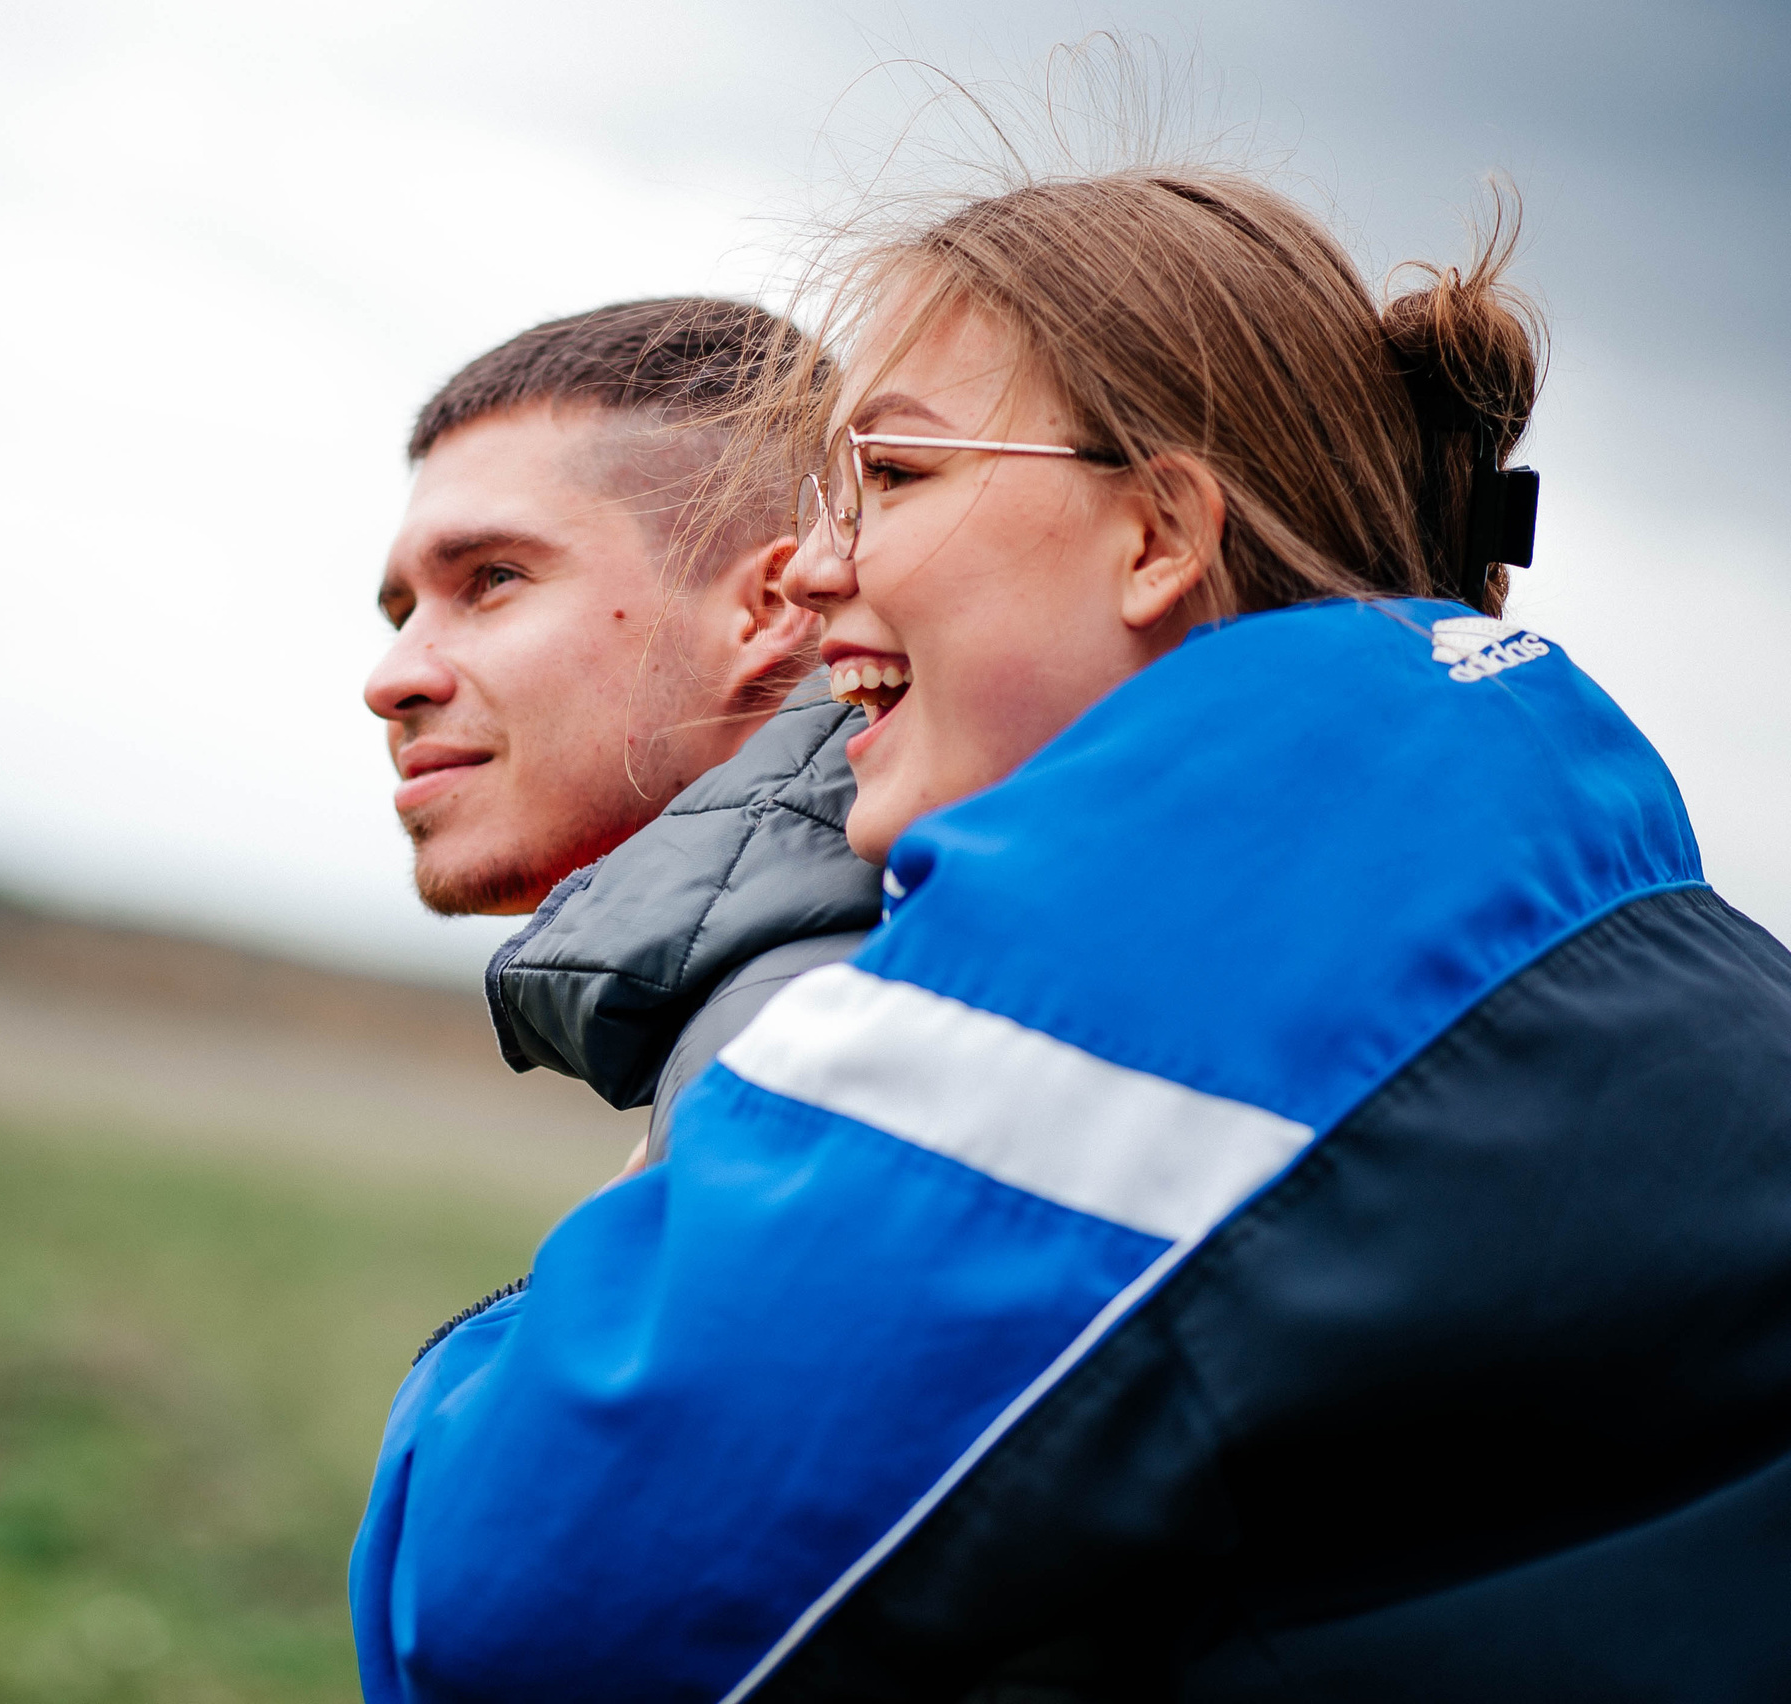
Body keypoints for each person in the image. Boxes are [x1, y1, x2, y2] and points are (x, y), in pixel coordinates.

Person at [351, 169, 1791, 1701]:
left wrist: (503, 1340)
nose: (824, 560)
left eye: (894, 476)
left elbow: (517, 1600)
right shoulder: (1530, 828)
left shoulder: (1190, 932)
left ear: (1161, 533)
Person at [368, 300, 882, 1153]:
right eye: (402, 614)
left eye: (492, 578)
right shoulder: (770, 1023)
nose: (391, 680)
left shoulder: (804, 1065)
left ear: (766, 607)